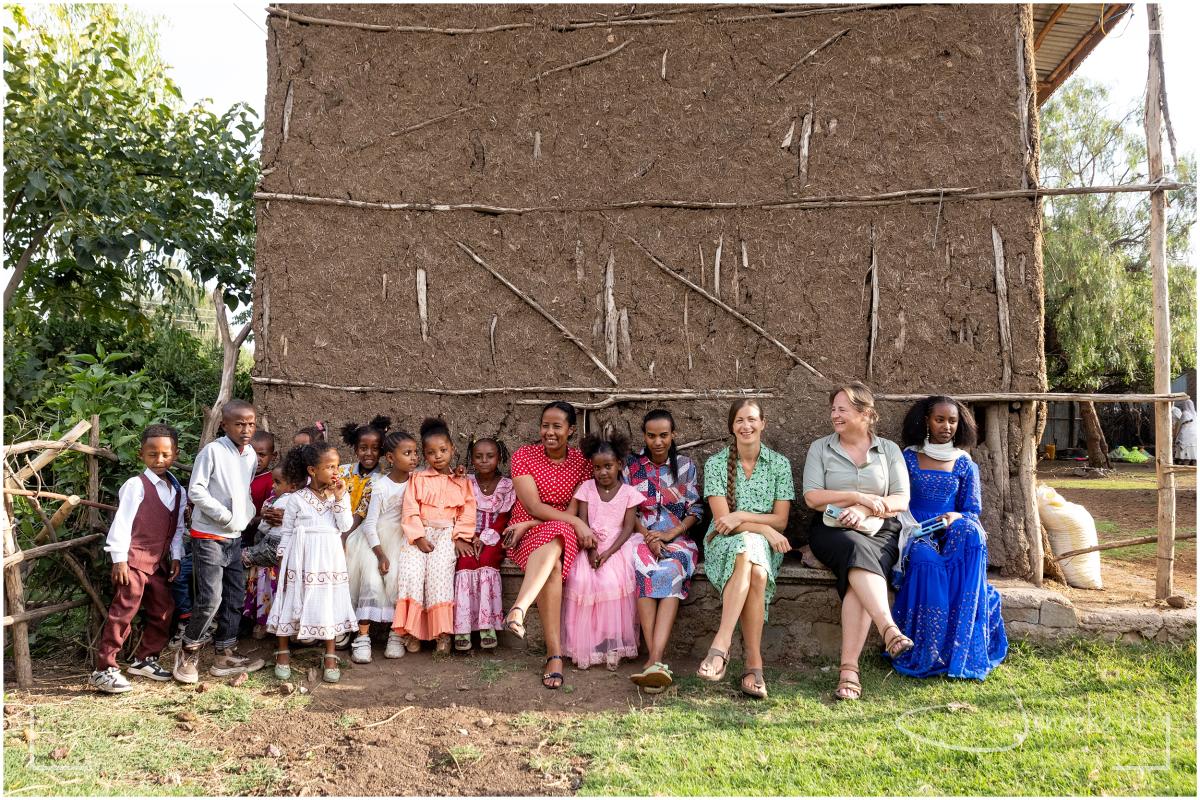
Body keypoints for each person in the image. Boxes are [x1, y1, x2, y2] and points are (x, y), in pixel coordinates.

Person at [803, 382, 911, 701]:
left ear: (866, 414)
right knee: (855, 548)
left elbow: (901, 499)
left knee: (858, 572)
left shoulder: (888, 450)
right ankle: (888, 627)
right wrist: (854, 497)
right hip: (831, 528)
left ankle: (849, 671)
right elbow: (812, 497)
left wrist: (864, 510)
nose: (834, 415)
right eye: (833, 409)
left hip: (881, 530)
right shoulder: (821, 448)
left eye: (842, 409)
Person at [890, 396, 1007, 680]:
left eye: (952, 421)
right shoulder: (908, 457)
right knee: (927, 563)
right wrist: (918, 527)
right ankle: (926, 651)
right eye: (939, 420)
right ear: (926, 421)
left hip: (952, 531)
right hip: (916, 531)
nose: (946, 426)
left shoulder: (964, 463)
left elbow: (972, 510)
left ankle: (960, 647)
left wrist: (957, 516)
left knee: (971, 533)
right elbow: (898, 497)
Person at [696, 399, 793, 699]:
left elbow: (782, 520)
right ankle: (753, 664)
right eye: (739, 420)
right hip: (723, 542)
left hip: (765, 546)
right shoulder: (716, 464)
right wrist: (762, 528)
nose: (746, 426)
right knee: (750, 556)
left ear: (763, 423)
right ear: (731, 426)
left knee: (754, 561)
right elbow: (724, 523)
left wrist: (742, 516)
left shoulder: (779, 464)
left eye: (752, 419)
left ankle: (721, 646)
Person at [501, 401, 595, 689]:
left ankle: (519, 609)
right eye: (545, 426)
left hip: (556, 530)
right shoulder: (524, 456)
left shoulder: (582, 463)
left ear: (571, 430)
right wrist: (571, 523)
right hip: (526, 534)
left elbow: (571, 511)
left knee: (558, 531)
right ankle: (554, 655)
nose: (549, 432)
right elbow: (532, 505)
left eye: (557, 426)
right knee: (552, 565)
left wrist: (568, 521)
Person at [173, 399, 265, 683]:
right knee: (210, 598)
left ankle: (224, 653)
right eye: (239, 424)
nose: (246, 430)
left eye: (250, 424)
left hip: (234, 537)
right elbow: (196, 491)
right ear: (224, 425)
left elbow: (244, 490)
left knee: (235, 595)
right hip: (209, 536)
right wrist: (225, 516)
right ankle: (188, 652)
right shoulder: (212, 451)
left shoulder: (250, 455)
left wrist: (247, 513)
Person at [90, 425, 187, 693]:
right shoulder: (136, 485)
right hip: (133, 560)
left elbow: (178, 528)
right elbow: (122, 522)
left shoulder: (178, 490)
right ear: (140, 454)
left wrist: (176, 556)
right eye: (152, 454)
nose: (159, 460)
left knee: (164, 609)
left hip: (158, 562)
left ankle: (145, 659)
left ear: (176, 454)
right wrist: (119, 559)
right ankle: (105, 668)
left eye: (166, 454)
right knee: (124, 611)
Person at [624, 409, 702, 693]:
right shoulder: (632, 466)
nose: (657, 441)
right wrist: (648, 537)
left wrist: (670, 534)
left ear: (673, 435)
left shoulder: (685, 466)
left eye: (664, 435)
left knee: (671, 570)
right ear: (644, 436)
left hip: (678, 538)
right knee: (644, 568)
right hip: (640, 536)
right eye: (651, 435)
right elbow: (627, 509)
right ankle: (656, 663)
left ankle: (654, 660)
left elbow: (695, 510)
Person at [268, 443, 359, 682]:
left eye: (337, 466)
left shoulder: (340, 495)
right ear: (312, 470)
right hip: (301, 557)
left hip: (329, 558)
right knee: (291, 598)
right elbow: (287, 532)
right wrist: (282, 558)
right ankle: (283, 652)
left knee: (328, 600)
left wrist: (339, 498)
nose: (336, 472)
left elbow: (345, 526)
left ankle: (330, 656)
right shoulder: (296, 499)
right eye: (329, 467)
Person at [392, 418, 476, 655]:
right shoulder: (417, 479)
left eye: (443, 450)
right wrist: (418, 537)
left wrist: (461, 536)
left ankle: (442, 635)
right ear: (424, 455)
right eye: (431, 452)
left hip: (448, 534)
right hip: (419, 533)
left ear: (452, 449)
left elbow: (468, 510)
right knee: (411, 573)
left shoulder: (461, 481)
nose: (438, 456)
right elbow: (409, 508)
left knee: (439, 576)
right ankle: (412, 632)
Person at [562, 433, 644, 670]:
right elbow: (583, 522)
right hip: (590, 546)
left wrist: (608, 554)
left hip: (617, 549)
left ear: (619, 464)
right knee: (580, 580)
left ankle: (613, 646)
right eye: (597, 467)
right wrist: (590, 551)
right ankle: (585, 647)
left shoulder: (629, 493)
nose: (603, 472)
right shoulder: (586, 488)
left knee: (610, 583)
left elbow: (628, 528)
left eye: (608, 466)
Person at [347, 430, 420, 662]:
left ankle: (396, 635)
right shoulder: (380, 485)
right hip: (372, 541)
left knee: (399, 579)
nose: (414, 458)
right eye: (407, 453)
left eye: (415, 453)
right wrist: (380, 555)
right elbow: (369, 525)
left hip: (402, 538)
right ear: (390, 458)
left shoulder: (417, 481)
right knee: (370, 580)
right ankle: (362, 637)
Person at [453, 437, 515, 652]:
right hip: (467, 533)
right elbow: (457, 510)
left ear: (499, 458)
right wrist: (467, 536)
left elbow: (503, 518)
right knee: (465, 562)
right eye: (478, 456)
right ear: (471, 459)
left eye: (490, 456)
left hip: (494, 536)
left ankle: (487, 626)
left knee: (487, 561)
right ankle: (462, 628)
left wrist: (485, 538)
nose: (484, 460)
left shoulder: (507, 485)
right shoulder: (465, 482)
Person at [242, 465, 300, 639]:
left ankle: (262, 621)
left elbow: (264, 527)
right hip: (289, 551)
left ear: (292, 486)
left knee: (247, 560)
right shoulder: (296, 499)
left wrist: (263, 519)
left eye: (277, 482)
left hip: (272, 548)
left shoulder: (279, 501)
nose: (273, 486)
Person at [339, 416, 390, 536]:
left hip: (362, 534)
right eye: (363, 448)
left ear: (381, 451)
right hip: (336, 527)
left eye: (375, 448)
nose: (369, 453)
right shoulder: (342, 471)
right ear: (356, 450)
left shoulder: (382, 479)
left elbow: (362, 511)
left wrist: (345, 536)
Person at [1172, 399, 1197, 465]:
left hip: (1185, 433)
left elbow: (1179, 424)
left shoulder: (1185, 413)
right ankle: (1193, 460)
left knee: (1183, 445)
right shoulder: (1195, 414)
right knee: (1192, 447)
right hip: (1194, 434)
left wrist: (1175, 434)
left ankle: (1183, 460)